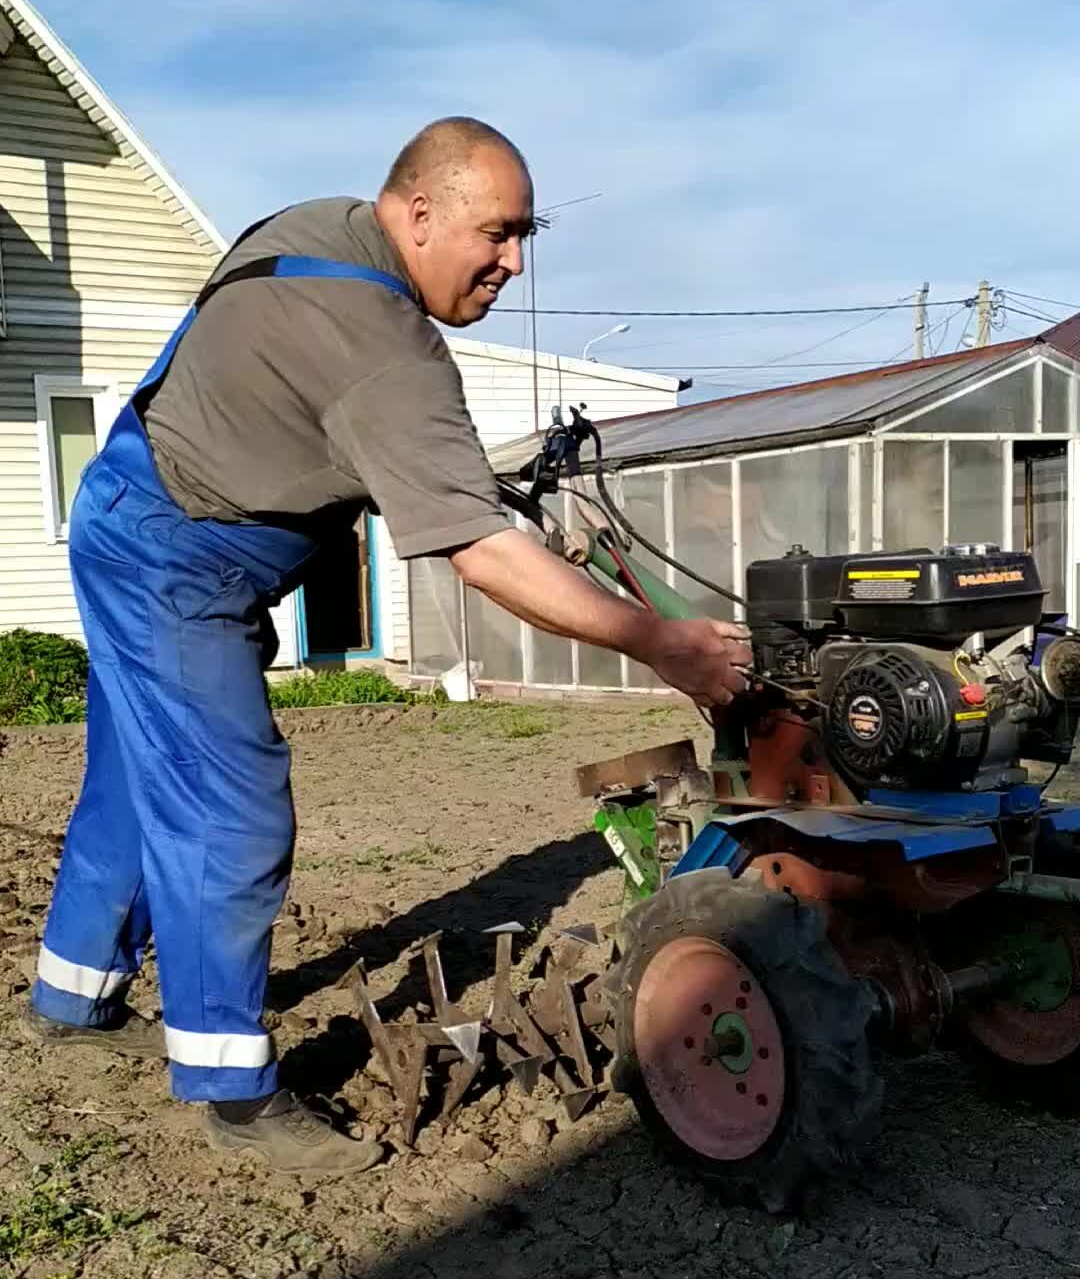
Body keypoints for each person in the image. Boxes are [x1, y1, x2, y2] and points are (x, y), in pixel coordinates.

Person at [26, 117, 752, 1180]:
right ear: (419, 213)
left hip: (132, 504)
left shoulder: (312, 227)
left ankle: (71, 995)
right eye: (497, 235)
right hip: (174, 557)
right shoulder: (387, 351)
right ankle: (230, 1087)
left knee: (138, 785)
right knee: (228, 807)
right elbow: (479, 553)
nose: (514, 262)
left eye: (525, 236)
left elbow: (307, 398)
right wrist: (662, 644)